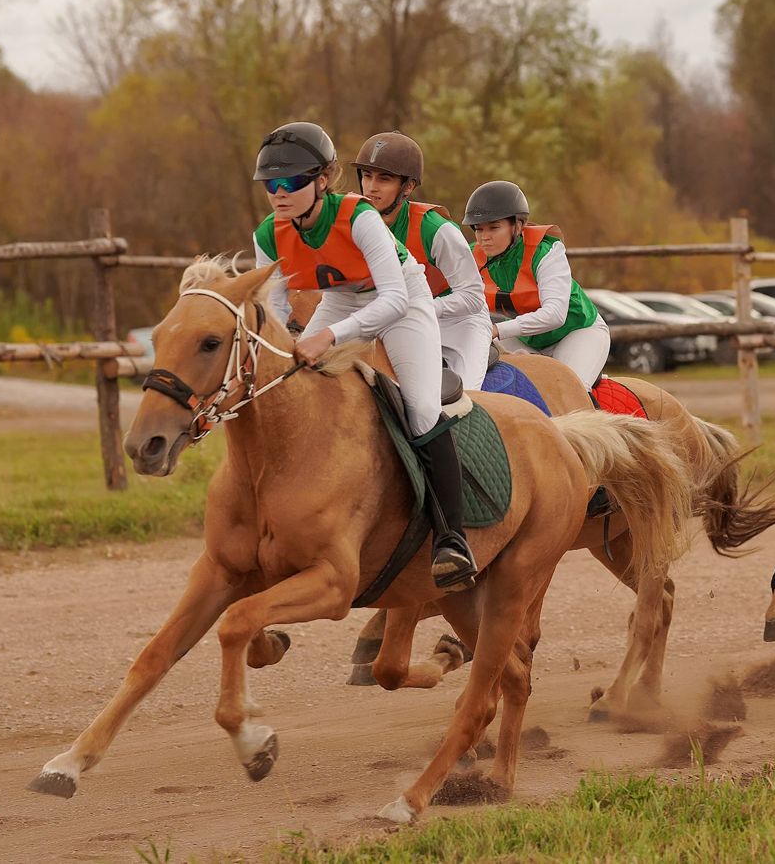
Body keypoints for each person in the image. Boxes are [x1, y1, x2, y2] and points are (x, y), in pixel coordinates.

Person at [249, 121, 476, 589]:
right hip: (343, 298)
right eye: (271, 184)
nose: (280, 193)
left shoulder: (359, 216)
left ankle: (452, 539)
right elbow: (270, 315)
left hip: (404, 297)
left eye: (292, 181)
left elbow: (392, 301)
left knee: (421, 409)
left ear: (324, 178)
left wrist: (328, 336)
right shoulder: (268, 235)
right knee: (288, 384)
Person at [350, 131, 493, 391]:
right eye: (367, 176)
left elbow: (473, 298)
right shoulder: (352, 222)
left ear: (408, 186)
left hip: (459, 323)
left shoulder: (436, 230)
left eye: (384, 178)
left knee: (465, 397)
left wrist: (419, 307)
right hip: (393, 319)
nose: (371, 187)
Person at [462, 180, 610, 387]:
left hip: (577, 332)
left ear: (518, 225)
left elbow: (555, 315)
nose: (484, 238)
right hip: (526, 339)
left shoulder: (547, 252)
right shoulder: (470, 256)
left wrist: (497, 330)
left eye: (494, 228)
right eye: (478, 229)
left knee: (570, 390)